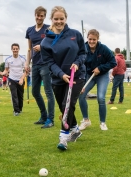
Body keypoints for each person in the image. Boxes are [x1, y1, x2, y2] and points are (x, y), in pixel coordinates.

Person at [41, 6, 86, 150]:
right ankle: (75, 129)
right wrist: (61, 74)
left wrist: (77, 63)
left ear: (66, 18)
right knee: (63, 107)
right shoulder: (45, 42)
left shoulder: (75, 34)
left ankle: (63, 138)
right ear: (51, 20)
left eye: (62, 18)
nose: (59, 21)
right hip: (58, 78)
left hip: (76, 75)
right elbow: (50, 63)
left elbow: (83, 53)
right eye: (56, 19)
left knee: (68, 105)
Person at [78, 29, 117, 131]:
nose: (91, 41)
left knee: (101, 98)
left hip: (102, 76)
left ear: (97, 39)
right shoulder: (83, 48)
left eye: (94, 39)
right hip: (88, 75)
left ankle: (102, 123)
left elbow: (113, 62)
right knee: (81, 95)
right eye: (90, 39)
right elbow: (81, 64)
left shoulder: (104, 49)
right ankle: (86, 120)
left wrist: (100, 68)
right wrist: (81, 82)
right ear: (87, 38)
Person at [25, 6, 55, 128]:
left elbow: (54, 45)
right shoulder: (30, 30)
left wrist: (42, 47)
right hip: (35, 65)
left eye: (42, 15)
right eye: (38, 15)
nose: (39, 17)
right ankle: (43, 116)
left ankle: (50, 119)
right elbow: (29, 48)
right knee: (35, 92)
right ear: (35, 15)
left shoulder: (49, 29)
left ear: (44, 16)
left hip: (46, 64)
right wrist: (27, 63)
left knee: (48, 92)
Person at [0, 43, 26, 116]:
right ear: (11, 49)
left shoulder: (23, 59)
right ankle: (16, 111)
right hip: (12, 79)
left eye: (16, 49)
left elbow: (26, 71)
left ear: (18, 49)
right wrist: (3, 73)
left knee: (20, 95)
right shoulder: (8, 59)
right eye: (14, 49)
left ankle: (20, 109)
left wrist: (22, 79)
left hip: (20, 79)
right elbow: (6, 70)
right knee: (14, 95)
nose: (15, 50)